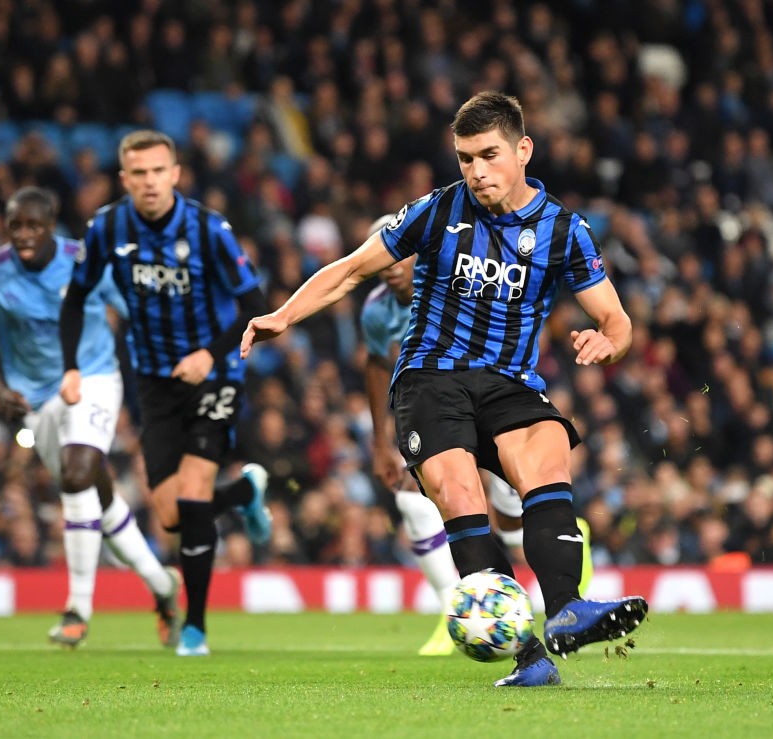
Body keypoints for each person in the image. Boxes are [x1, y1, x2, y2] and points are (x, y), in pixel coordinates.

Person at [243, 91, 647, 686]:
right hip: (431, 379)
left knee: (548, 456)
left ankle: (565, 609)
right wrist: (284, 314)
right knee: (460, 494)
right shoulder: (436, 212)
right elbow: (352, 268)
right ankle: (527, 658)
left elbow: (618, 320)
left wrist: (610, 340)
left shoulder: (564, 230)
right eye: (465, 158)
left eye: (489, 155)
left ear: (523, 150)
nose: (477, 171)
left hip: (509, 382)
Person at [60, 130, 271, 657]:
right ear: (124, 179)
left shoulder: (208, 229)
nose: (150, 182)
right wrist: (70, 367)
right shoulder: (107, 228)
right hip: (154, 381)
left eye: (159, 171)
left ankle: (195, 627)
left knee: (195, 492)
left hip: (214, 375)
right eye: (140, 173)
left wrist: (211, 353)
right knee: (173, 514)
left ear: (175, 174)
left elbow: (257, 303)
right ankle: (243, 494)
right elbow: (75, 297)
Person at [362, 213, 591, 657]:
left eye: (396, 256)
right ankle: (461, 608)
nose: (389, 266)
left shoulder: (457, 277)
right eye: (381, 258)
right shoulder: (376, 310)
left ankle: (565, 548)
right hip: (435, 400)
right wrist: (379, 438)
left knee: (509, 517)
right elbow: (375, 363)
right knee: (434, 498)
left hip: (492, 393)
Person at [0, 186, 182, 648]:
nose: (24, 234)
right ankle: (162, 586)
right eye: (15, 226)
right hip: (38, 400)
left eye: (33, 226)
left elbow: (133, 308)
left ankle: (77, 609)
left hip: (94, 375)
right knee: (94, 495)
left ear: (51, 224)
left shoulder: (85, 260)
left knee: (79, 472)